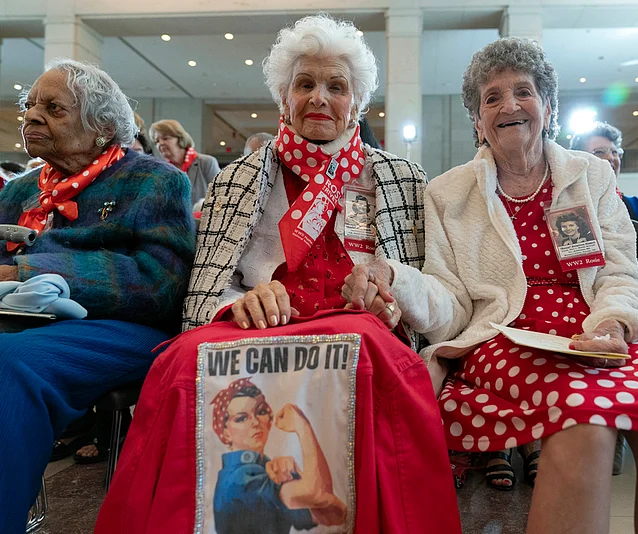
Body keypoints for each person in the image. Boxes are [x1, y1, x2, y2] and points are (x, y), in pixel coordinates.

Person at [344, 37, 638, 533]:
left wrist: (614, 324)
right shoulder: (448, 193)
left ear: (549, 106)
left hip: (602, 333)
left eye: (523, 91)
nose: (510, 105)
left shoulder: (593, 175)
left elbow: (622, 273)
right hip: (503, 334)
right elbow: (449, 303)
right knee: (583, 423)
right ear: (477, 119)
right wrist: (394, 276)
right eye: (491, 98)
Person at [96, 15, 461, 534]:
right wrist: (234, 301)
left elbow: (439, 299)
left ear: (356, 103)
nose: (319, 97)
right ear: (283, 99)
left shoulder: (402, 179)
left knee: (371, 352)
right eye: (305, 84)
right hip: (257, 323)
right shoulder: (239, 178)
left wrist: (392, 282)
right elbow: (208, 285)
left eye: (336, 86)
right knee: (178, 366)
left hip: (356, 322)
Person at [0, 59, 195, 531]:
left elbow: (160, 282)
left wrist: (29, 269)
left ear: (103, 126)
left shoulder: (155, 179)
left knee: (9, 361)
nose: (31, 116)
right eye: (29, 106)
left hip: (123, 326)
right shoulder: (22, 189)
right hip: (24, 317)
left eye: (53, 108)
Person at [210, 378, 345, 533]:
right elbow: (318, 494)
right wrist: (303, 427)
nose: (255, 422)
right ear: (225, 434)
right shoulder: (238, 478)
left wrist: (302, 481)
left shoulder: (267, 469)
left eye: (260, 412)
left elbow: (337, 515)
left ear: (269, 419)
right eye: (241, 418)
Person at [570, 122, 638, 224]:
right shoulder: (568, 208)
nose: (610, 157)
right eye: (599, 152)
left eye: (614, 152)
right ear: (579, 160)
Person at [150, 119, 221, 205]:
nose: (160, 143)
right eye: (156, 141)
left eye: (165, 138)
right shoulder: (162, 171)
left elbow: (221, 196)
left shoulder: (207, 163)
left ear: (180, 138)